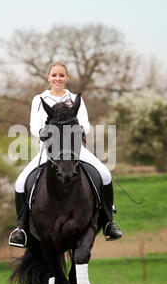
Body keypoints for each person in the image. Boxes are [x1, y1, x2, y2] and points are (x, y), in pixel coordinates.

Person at [8, 61, 122, 248]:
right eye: (54, 75)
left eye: (61, 75)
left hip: (74, 148)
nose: (58, 78)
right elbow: (34, 126)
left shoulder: (75, 98)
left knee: (105, 174)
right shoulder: (39, 99)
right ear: (48, 77)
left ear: (67, 78)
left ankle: (109, 222)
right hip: (50, 149)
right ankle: (21, 229)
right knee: (20, 182)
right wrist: (45, 133)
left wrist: (74, 130)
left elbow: (85, 124)